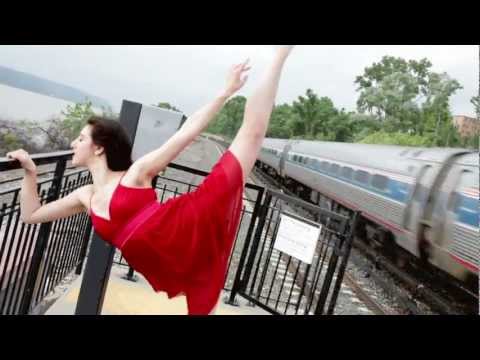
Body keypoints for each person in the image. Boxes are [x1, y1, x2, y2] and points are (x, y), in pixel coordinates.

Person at [6, 45, 295, 315]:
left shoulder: (134, 175)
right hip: (170, 261)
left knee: (252, 135)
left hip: (186, 222)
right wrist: (30, 172)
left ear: (99, 147)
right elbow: (32, 214)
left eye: (80, 138)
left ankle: (280, 54)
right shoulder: (85, 196)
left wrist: (226, 92)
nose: (72, 142)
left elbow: (186, 132)